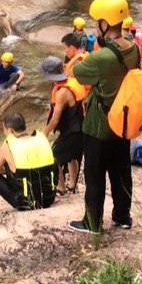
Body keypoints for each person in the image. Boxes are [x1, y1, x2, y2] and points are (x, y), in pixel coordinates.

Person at [69, 0, 141, 234]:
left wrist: (89, 54)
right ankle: (123, 215)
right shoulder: (133, 48)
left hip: (99, 126)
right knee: (121, 172)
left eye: (97, 21)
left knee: (95, 175)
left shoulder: (100, 58)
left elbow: (77, 71)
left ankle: (92, 222)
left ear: (104, 24)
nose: (94, 25)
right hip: (123, 121)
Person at [0, 112, 57, 214]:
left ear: (10, 130)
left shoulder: (8, 146)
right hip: (48, 199)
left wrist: (10, 169)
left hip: (24, 202)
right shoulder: (41, 139)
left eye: (4, 129)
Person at [40, 55, 86, 196]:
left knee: (55, 157)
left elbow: (55, 119)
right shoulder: (73, 82)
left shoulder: (62, 93)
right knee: (72, 157)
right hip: (81, 129)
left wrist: (44, 132)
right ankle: (73, 184)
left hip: (73, 132)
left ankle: (61, 187)